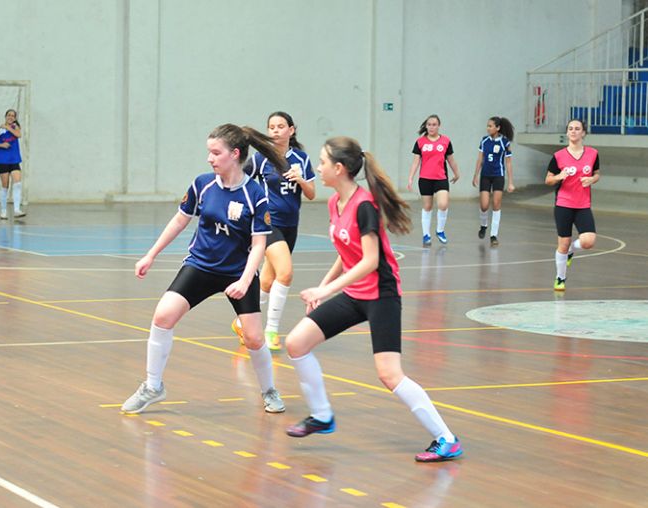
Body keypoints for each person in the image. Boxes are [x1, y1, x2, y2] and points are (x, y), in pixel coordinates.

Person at [284, 136, 463, 463]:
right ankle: (322, 416)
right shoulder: (333, 202)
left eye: (322, 162)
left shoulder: (365, 205)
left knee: (389, 374)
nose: (317, 168)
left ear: (339, 169)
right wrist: (323, 286)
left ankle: (446, 439)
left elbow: (369, 260)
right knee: (296, 343)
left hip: (381, 295)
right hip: (354, 294)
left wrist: (326, 291)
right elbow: (345, 250)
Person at [121, 124, 288, 415]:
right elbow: (179, 221)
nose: (210, 158)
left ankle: (269, 390)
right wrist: (151, 255)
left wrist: (246, 280)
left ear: (235, 154)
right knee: (163, 316)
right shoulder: (202, 184)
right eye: (209, 152)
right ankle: (152, 386)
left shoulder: (254, 194)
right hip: (200, 265)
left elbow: (259, 245)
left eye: (215, 152)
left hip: (238, 272)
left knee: (254, 338)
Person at [231, 111, 316, 351]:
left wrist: (300, 179)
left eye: (281, 126)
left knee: (267, 279)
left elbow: (311, 194)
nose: (276, 130)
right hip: (268, 224)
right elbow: (239, 181)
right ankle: (271, 330)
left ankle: (241, 322)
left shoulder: (301, 159)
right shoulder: (260, 159)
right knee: (286, 273)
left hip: (291, 226)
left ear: (291, 130)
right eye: (272, 127)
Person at [545, 119, 599, 292]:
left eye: (577, 129)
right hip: (563, 204)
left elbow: (596, 173)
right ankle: (560, 278)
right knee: (563, 242)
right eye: (570, 129)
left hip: (583, 204)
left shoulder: (592, 154)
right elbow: (548, 179)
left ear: (583, 133)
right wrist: (558, 177)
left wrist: (592, 179)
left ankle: (571, 251)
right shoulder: (558, 156)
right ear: (567, 133)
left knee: (588, 241)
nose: (574, 131)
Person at [407, 115, 461, 246]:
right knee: (427, 206)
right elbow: (415, 162)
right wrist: (410, 178)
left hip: (441, 178)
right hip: (425, 179)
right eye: (429, 124)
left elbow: (451, 160)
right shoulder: (420, 142)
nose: (431, 127)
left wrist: (456, 173)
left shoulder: (445, 141)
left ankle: (440, 230)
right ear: (426, 126)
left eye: (434, 124)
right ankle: (426, 234)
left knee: (443, 204)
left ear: (439, 126)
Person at [471, 116, 515, 246]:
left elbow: (508, 163)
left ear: (498, 128)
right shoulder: (484, 141)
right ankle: (483, 225)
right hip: (485, 176)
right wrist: (475, 175)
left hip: (498, 176)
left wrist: (511, 181)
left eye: (490, 126)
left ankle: (493, 235)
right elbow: (480, 159)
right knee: (484, 205)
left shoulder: (505, 142)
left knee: (496, 204)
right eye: (487, 126)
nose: (488, 128)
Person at [0, 109, 25, 219]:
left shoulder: (15, 128)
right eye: (9, 115)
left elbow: (18, 135)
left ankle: (17, 210)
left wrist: (7, 127)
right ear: (5, 116)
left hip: (14, 160)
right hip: (2, 160)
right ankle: (3, 211)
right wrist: (1, 145)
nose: (11, 117)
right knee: (5, 185)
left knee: (17, 183)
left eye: (13, 116)